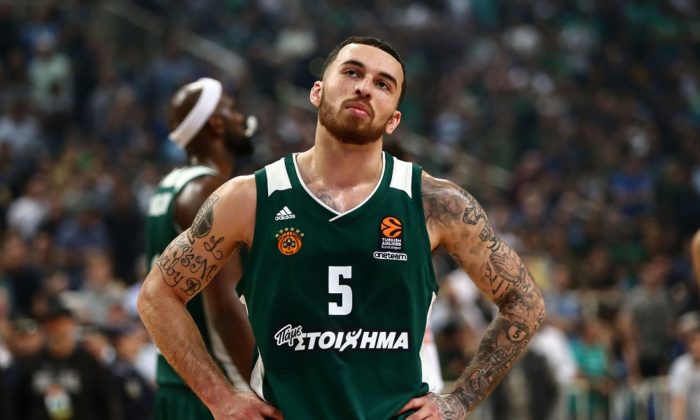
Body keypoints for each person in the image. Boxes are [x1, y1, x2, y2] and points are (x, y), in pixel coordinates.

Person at [138, 35, 545, 419]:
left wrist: (458, 401)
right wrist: (220, 398)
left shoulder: (435, 203)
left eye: (383, 84)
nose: (365, 88)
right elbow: (157, 295)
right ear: (317, 91)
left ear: (394, 120)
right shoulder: (250, 197)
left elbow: (525, 302)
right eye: (352, 73)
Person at [144, 77, 259, 419]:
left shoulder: (170, 185)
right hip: (218, 393)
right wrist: (263, 389)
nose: (241, 118)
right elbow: (224, 308)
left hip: (177, 386)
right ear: (216, 123)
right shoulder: (207, 189)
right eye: (232, 110)